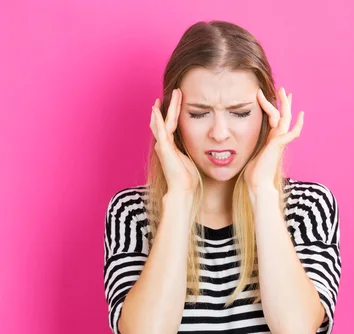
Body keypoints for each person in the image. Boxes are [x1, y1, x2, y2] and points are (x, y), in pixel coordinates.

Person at [103, 20, 341, 334]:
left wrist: (262, 192)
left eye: (240, 113)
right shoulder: (131, 213)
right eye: (198, 113)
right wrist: (179, 197)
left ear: (268, 113)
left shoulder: (308, 206)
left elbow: (296, 329)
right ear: (170, 118)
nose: (219, 134)